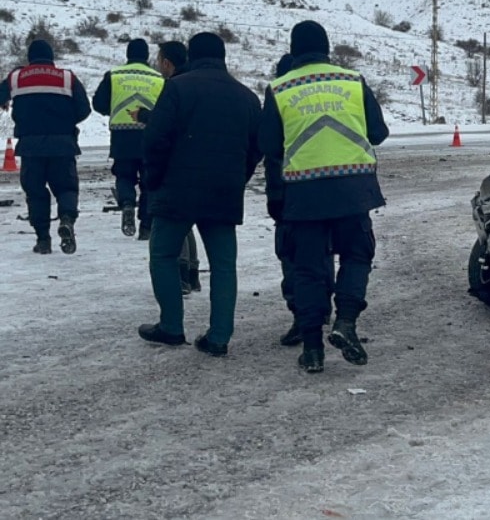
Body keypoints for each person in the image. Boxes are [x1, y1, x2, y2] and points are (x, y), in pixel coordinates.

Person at [259, 21, 389, 373]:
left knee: (308, 270)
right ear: (327, 48)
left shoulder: (279, 89)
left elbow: (270, 149)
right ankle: (346, 322)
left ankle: (313, 349)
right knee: (357, 256)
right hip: (353, 188)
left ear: (294, 49)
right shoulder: (352, 81)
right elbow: (378, 133)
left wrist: (276, 199)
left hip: (304, 193)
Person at [139, 32, 262, 357]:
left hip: (177, 192)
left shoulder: (177, 88)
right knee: (224, 265)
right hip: (223, 192)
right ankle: (219, 336)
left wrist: (155, 181)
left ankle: (171, 327)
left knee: (163, 255)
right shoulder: (247, 97)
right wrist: (238, 179)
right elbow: (255, 148)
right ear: (224, 56)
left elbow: (156, 140)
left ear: (192, 56)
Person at [264, 52, 335, 347]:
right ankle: (322, 311)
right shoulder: (320, 102)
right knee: (323, 256)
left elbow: (270, 153)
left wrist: (274, 198)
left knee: (294, 260)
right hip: (329, 192)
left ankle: (303, 317)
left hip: (291, 197)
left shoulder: (281, 100)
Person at [0, 40, 91, 254]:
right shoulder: (67, 77)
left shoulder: (17, 77)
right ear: (52, 58)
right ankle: (67, 219)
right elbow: (84, 109)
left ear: (29, 58)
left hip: (31, 147)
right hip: (63, 144)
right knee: (66, 188)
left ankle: (43, 240)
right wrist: (67, 122)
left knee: (36, 193)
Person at [137, 41, 203, 294]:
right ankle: (193, 274)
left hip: (177, 166)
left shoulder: (175, 85)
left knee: (175, 223)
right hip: (196, 163)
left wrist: (144, 117)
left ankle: (183, 276)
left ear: (167, 62)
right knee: (187, 225)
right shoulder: (195, 81)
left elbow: (164, 126)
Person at [93, 39, 164, 239]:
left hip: (122, 135)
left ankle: (127, 204)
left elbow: (98, 103)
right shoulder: (158, 78)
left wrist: (113, 111)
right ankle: (146, 228)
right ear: (146, 55)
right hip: (150, 135)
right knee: (149, 182)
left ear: (128, 54)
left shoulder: (114, 75)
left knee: (124, 176)